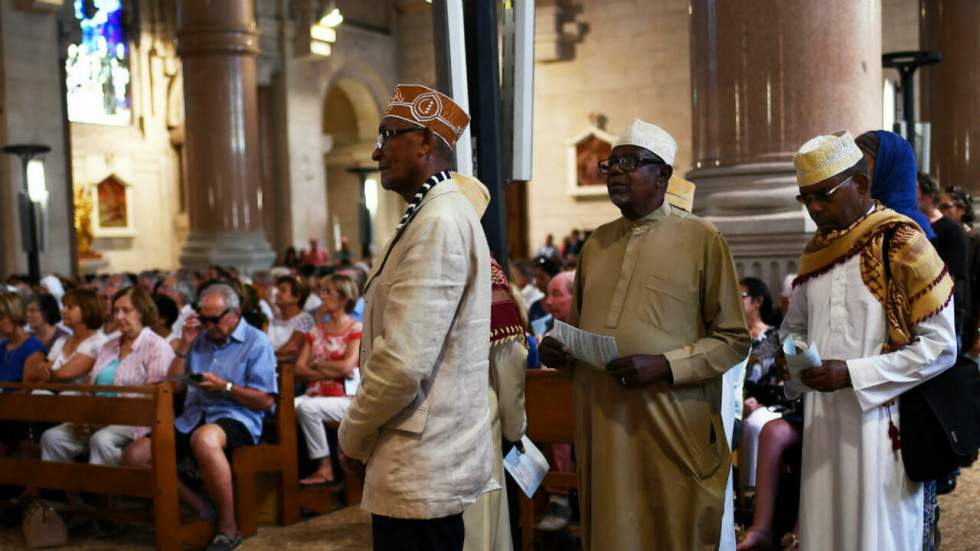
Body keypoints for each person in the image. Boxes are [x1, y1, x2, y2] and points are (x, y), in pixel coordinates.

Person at [539, 119, 750, 549]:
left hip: (670, 428)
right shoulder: (596, 244)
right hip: (605, 426)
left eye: (630, 162)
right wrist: (563, 352)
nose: (616, 171)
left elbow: (732, 339)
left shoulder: (702, 239)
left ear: (664, 175)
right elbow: (578, 331)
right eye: (611, 163)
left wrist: (665, 365)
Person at [338, 84, 496, 551]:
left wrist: (352, 432)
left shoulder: (439, 220)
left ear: (426, 142)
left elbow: (403, 362)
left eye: (389, 135)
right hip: (416, 452)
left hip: (420, 458)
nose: (376, 151)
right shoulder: (429, 212)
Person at [781, 131, 956, 550]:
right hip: (823, 423)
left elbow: (941, 346)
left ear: (859, 186)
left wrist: (853, 373)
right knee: (824, 532)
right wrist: (795, 357)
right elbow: (795, 328)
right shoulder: (816, 251)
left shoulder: (903, 242)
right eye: (806, 199)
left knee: (879, 536)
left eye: (823, 194)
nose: (815, 208)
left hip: (882, 425)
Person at [123, 283, 277, 551]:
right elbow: (176, 385)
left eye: (214, 319)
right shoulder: (199, 339)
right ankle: (200, 506)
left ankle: (228, 527)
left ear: (234, 313)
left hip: (237, 416)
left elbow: (265, 400)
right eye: (203, 318)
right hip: (194, 415)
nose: (208, 325)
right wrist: (184, 345)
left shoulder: (256, 342)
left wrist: (225, 388)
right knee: (135, 455)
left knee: (204, 439)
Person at [40, 286, 173, 466]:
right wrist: (85, 415)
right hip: (99, 416)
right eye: (116, 311)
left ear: (142, 312)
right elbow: (91, 387)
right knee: (53, 437)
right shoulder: (109, 346)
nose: (118, 317)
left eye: (126, 311)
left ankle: (113, 491)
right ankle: (65, 493)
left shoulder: (157, 346)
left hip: (136, 420)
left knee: (102, 440)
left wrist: (106, 418)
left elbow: (155, 397)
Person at [463, 258, 528, 551]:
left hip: (416, 416)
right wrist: (515, 428)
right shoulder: (478, 261)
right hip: (473, 407)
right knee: (481, 527)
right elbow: (508, 354)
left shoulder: (405, 253)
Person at [294, 273, 363, 486]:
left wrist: (316, 365)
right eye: (322, 291)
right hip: (316, 393)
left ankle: (325, 468)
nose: (322, 296)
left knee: (307, 409)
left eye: (328, 292)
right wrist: (331, 369)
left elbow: (347, 366)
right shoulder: (316, 330)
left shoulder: (356, 329)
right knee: (288, 407)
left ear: (344, 299)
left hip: (345, 396)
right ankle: (297, 470)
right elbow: (299, 368)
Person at [917, 172, 968, 338]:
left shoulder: (952, 230)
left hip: (942, 313)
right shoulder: (914, 225)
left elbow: (952, 277)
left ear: (929, 197)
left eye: (915, 189)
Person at [24, 288, 107, 385]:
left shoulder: (98, 342)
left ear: (87, 311)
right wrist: (43, 372)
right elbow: (45, 370)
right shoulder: (62, 340)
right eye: (64, 306)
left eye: (70, 307)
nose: (63, 311)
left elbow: (63, 374)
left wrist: (45, 374)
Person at [0, 292, 46, 455]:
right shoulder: (3, 345)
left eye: (1, 317)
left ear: (14, 316)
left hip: (18, 415)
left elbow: (27, 391)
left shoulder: (32, 347)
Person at [268, 276, 314, 362]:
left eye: (283, 291)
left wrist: (265, 357)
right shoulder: (276, 316)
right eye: (278, 290)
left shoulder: (304, 319)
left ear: (297, 298)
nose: (277, 293)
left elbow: (291, 348)